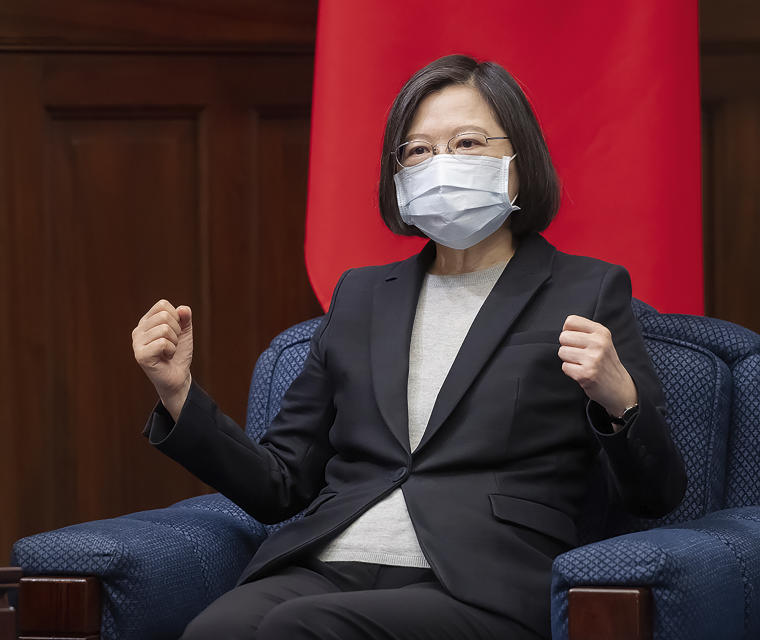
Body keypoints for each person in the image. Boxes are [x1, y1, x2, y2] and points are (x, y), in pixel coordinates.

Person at [131, 54, 687, 640]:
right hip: (329, 563)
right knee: (217, 630)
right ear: (398, 176)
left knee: (300, 631)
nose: (440, 164)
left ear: (519, 160)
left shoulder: (587, 289)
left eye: (467, 142)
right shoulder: (363, 295)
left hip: (482, 580)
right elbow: (280, 484)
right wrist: (178, 395)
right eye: (418, 151)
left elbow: (656, 496)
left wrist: (619, 400)